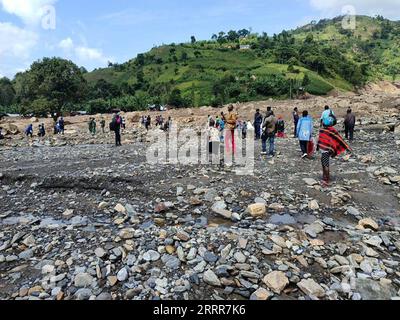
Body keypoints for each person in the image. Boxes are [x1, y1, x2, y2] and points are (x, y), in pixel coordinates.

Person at [317, 108, 350, 187]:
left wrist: (346, 147)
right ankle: (324, 177)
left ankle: (326, 179)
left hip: (325, 150)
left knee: (325, 165)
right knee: (324, 164)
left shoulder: (323, 130)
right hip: (325, 150)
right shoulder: (329, 130)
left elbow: (338, 139)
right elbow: (338, 138)